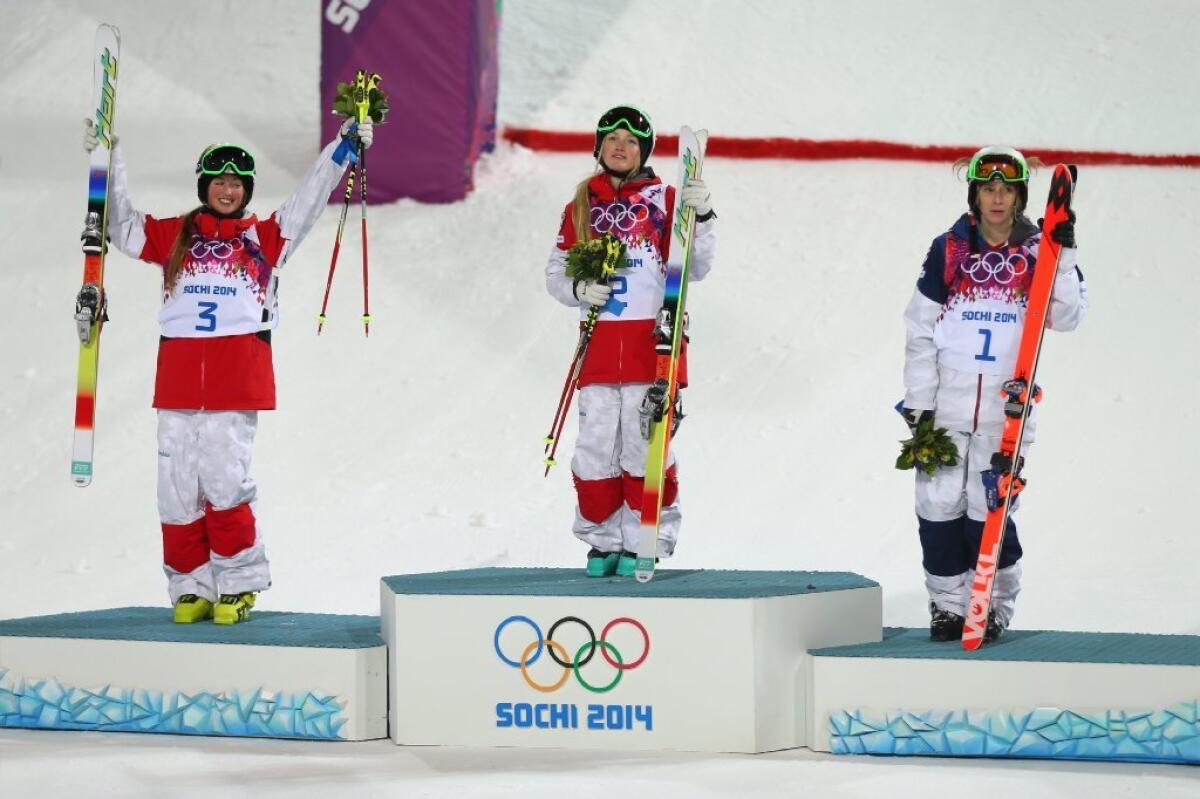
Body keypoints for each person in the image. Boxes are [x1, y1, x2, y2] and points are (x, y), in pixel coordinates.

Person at [82, 116, 374, 624]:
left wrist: (343, 147)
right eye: (218, 181)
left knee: (223, 484)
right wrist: (108, 159)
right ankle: (190, 586)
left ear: (246, 190)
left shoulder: (265, 238)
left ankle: (237, 584)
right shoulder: (176, 236)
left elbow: (308, 198)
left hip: (235, 382)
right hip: (176, 383)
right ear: (204, 185)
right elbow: (121, 226)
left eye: (236, 183)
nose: (227, 190)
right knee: (175, 489)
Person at [901, 146, 1087, 642]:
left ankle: (994, 604)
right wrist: (919, 403)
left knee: (992, 509)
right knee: (937, 504)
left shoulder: (1038, 250)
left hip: (1007, 405)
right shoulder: (950, 248)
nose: (998, 199)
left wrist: (1063, 258)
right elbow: (919, 329)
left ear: (1022, 194)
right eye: (989, 188)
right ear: (975, 193)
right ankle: (947, 607)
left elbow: (1065, 319)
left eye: (1007, 189)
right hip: (947, 400)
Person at [545, 105, 717, 577]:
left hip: (650, 347)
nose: (620, 147)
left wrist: (701, 215)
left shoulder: (664, 199)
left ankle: (649, 536)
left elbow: (694, 268)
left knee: (646, 447)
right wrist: (578, 290)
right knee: (597, 446)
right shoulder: (581, 204)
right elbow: (556, 273)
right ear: (599, 147)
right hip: (599, 349)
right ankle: (602, 543)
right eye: (612, 139)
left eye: (631, 141)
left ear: (643, 151)